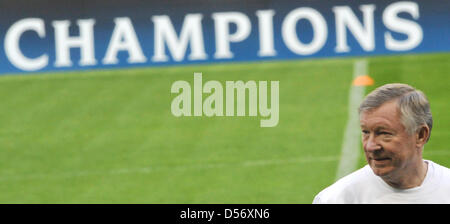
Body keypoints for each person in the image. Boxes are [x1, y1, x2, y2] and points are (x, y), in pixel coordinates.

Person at [313, 83, 450, 204]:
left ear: (420, 135)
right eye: (366, 132)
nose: (370, 146)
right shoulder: (336, 199)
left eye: (384, 133)